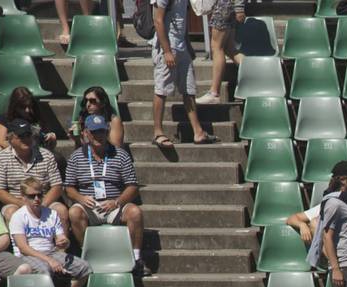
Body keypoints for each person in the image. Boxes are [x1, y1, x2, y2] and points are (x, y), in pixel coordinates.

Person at [65, 114, 147, 272]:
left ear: (107, 131)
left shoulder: (120, 155)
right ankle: (87, 253)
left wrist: (117, 202)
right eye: (94, 132)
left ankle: (136, 257)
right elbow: (69, 187)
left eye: (102, 131)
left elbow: (132, 186)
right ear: (86, 133)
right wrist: (80, 198)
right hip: (89, 205)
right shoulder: (76, 157)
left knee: (135, 212)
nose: (99, 136)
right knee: (74, 212)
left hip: (114, 203)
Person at [151, 0, 217, 150]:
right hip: (167, 47)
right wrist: (167, 51)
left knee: (189, 88)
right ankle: (157, 132)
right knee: (162, 88)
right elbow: (158, 20)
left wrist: (187, 45)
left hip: (181, 46)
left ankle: (198, 131)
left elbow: (183, 19)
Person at [9, 176, 91, 287]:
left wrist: (64, 242)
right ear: (23, 197)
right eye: (32, 196)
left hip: (50, 252)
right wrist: (49, 260)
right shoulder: (18, 216)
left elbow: (62, 238)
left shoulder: (51, 214)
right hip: (27, 255)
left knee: (85, 268)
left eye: (39, 195)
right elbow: (23, 248)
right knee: (45, 270)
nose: (36, 199)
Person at [0, 120, 67, 224]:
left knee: (61, 210)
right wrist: (24, 205)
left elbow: (57, 186)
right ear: (10, 139)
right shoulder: (0, 159)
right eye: (21, 136)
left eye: (28, 135)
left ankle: (62, 240)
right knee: (11, 212)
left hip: (43, 200)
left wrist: (42, 204)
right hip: (16, 202)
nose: (26, 139)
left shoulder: (46, 155)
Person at [197, 0, 246, 105]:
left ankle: (214, 93)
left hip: (225, 5)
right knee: (229, 48)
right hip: (228, 6)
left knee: (217, 47)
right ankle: (256, 76)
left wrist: (239, 7)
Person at [0, 88, 58, 152]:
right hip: (13, 155)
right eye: (23, 107)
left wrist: (51, 139)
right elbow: (1, 142)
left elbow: (46, 142)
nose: (27, 110)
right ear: (15, 106)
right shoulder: (4, 119)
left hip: (38, 154)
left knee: (59, 158)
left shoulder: (34, 117)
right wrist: (23, 146)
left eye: (29, 106)